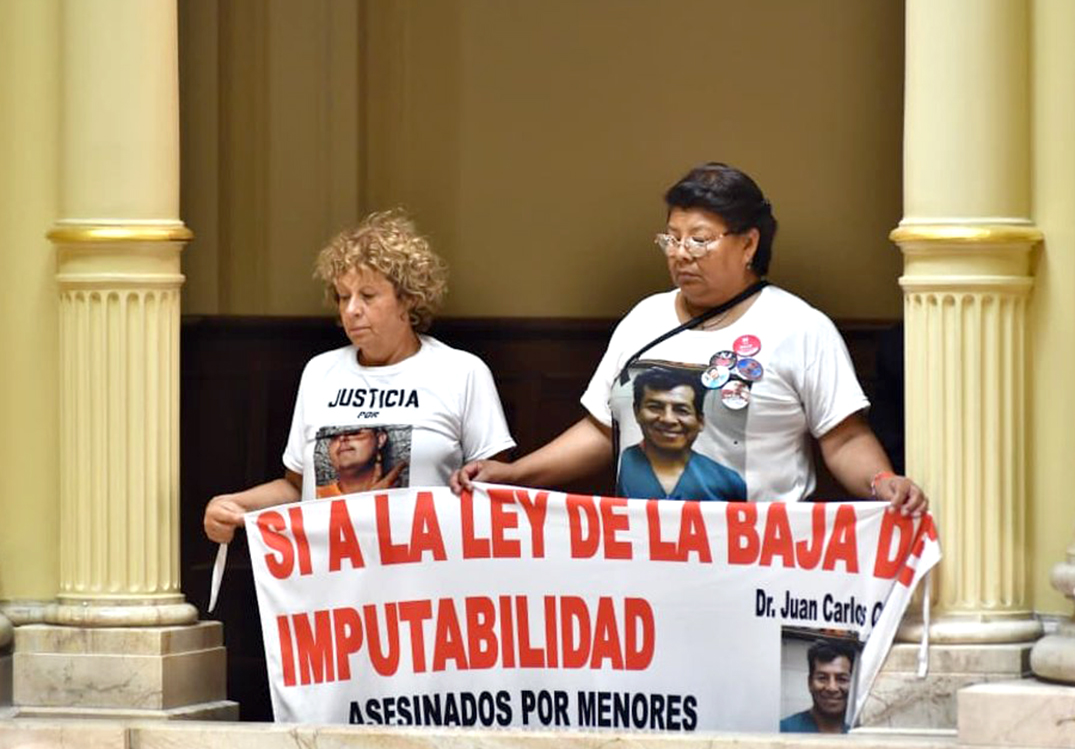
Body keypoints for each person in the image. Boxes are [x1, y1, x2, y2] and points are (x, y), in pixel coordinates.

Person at [452, 162, 928, 514]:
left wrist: (882, 481)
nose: (681, 254)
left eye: (699, 239)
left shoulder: (800, 327)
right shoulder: (644, 319)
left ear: (749, 243)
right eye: (672, 238)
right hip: (643, 557)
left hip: (757, 561)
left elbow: (844, 439)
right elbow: (601, 429)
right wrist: (515, 475)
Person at [204, 210, 515, 544]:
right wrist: (236, 505)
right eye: (343, 296)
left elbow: (493, 490)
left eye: (367, 296)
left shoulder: (461, 372)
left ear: (408, 299)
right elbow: (298, 487)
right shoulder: (319, 372)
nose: (351, 310)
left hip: (425, 568)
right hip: (331, 569)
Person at [617, 366, 746, 500]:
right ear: (637, 412)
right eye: (655, 407)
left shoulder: (729, 481)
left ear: (700, 421)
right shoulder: (618, 466)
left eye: (681, 410)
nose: (668, 419)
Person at [779, 640, 855, 733]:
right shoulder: (785, 731)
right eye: (822, 678)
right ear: (809, 683)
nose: (832, 688)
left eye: (842, 679)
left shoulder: (862, 733)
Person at [315, 426, 404, 498]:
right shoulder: (316, 496)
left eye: (354, 431)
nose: (342, 438)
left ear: (380, 439)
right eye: (334, 435)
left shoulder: (403, 494)